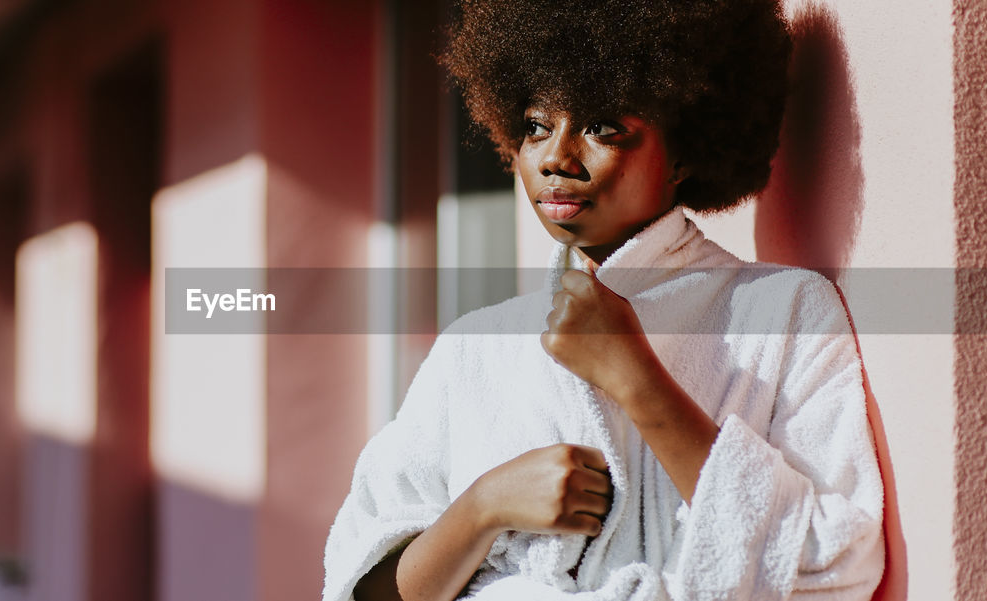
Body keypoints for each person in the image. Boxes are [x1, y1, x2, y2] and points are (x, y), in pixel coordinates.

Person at [322, 1, 885, 600]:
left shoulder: (784, 311)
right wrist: (483, 506)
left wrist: (636, 378)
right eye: (537, 125)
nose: (555, 159)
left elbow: (839, 567)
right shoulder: (473, 347)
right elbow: (363, 586)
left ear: (686, 151)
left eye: (601, 127)